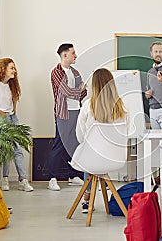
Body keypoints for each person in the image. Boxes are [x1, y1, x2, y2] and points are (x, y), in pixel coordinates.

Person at [75, 68, 128, 213]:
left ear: (94, 85)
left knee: (88, 151)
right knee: (94, 153)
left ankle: (87, 198)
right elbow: (125, 134)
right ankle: (95, 191)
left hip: (93, 160)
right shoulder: (121, 107)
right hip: (114, 158)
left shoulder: (87, 105)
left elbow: (80, 136)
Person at [0, 58, 34, 192]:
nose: (14, 71)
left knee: (16, 150)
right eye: (12, 68)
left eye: (14, 68)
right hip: (1, 120)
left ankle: (20, 180)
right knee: (8, 150)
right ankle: (8, 179)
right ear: (3, 69)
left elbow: (13, 102)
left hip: (12, 118)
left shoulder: (11, 85)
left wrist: (12, 111)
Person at [48, 43, 87, 191]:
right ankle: (52, 178)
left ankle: (73, 175)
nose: (75, 55)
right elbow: (65, 91)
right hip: (63, 113)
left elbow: (82, 93)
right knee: (59, 144)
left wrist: (79, 91)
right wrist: (79, 90)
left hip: (77, 110)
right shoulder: (56, 72)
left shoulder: (75, 72)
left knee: (75, 143)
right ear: (65, 55)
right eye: (73, 53)